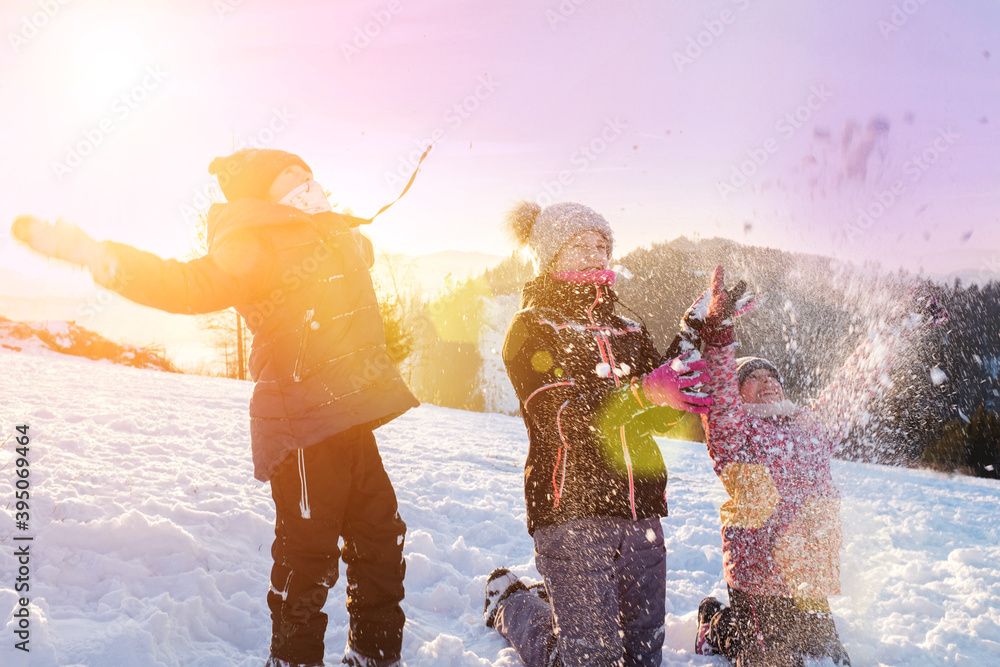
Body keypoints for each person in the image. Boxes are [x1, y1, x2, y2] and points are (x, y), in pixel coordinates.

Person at [11, 148, 419, 667]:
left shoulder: (324, 230)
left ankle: (375, 656)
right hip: (301, 423)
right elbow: (187, 284)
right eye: (291, 176)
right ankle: (292, 660)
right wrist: (93, 253)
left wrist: (343, 228)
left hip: (350, 416)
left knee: (381, 539)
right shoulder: (257, 241)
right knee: (308, 558)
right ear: (263, 191)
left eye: (309, 173)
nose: (308, 181)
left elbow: (357, 250)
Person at [483, 201, 714, 667]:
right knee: (590, 661)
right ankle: (510, 602)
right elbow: (563, 421)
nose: (595, 252)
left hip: (640, 513)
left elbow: (653, 417)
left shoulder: (628, 327)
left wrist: (695, 333)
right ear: (550, 255)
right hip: (571, 513)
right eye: (579, 243)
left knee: (643, 658)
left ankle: (566, 610)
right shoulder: (530, 328)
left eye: (602, 244)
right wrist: (646, 390)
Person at [687, 266, 946, 667]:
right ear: (738, 393)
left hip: (808, 569)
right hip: (760, 573)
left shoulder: (813, 426)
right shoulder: (734, 434)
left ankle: (736, 624)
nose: (767, 381)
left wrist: (897, 326)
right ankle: (717, 622)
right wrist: (720, 337)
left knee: (831, 659)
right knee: (767, 658)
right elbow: (720, 393)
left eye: (772, 375)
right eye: (752, 377)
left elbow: (855, 381)